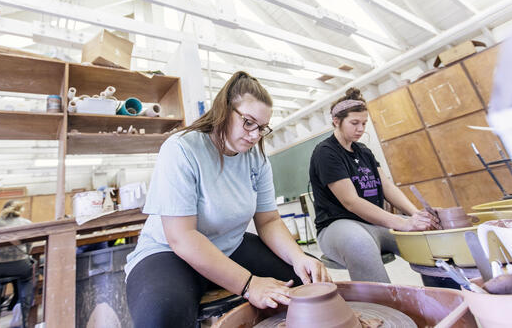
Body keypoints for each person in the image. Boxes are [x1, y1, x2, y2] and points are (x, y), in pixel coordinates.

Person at [124, 71, 331, 328]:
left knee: (305, 280)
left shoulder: (258, 159)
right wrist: (249, 284)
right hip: (169, 252)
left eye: (262, 128)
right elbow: (182, 237)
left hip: (230, 245)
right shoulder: (181, 149)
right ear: (224, 109)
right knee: (161, 316)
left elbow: (268, 220)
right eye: (248, 122)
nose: (255, 135)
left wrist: (299, 257)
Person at [309, 88, 439, 283]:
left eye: (364, 123)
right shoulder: (326, 152)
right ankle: (382, 311)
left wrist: (415, 215)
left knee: (424, 235)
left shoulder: (363, 150)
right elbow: (351, 202)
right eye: (354, 123)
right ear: (336, 121)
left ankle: (444, 299)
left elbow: (387, 187)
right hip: (337, 227)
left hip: (374, 224)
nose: (361, 129)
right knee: (359, 243)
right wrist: (402, 223)